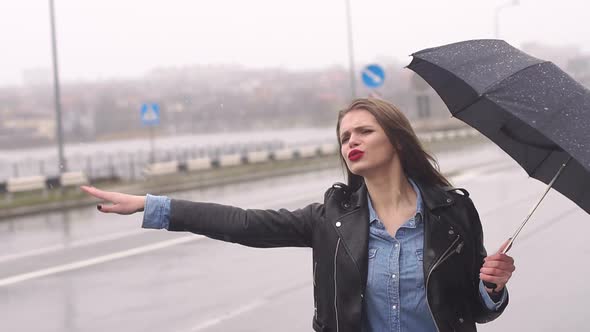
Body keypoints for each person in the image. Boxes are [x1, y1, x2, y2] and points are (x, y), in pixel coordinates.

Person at [81, 98, 515, 332]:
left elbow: (474, 310)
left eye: (365, 131)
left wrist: (491, 287)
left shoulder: (451, 211)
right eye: (345, 136)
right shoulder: (332, 219)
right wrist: (153, 206)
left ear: (397, 141)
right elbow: (244, 224)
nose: (351, 142)